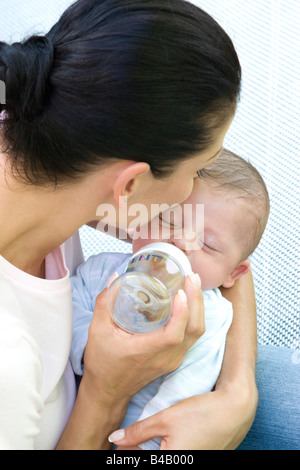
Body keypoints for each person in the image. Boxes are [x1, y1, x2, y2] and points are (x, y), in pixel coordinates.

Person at [0, 0, 259, 450]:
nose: (195, 194)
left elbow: (233, 256)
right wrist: (107, 389)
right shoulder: (10, 365)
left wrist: (239, 393)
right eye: (198, 170)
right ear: (132, 183)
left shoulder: (40, 135)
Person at [70, 149, 270, 450]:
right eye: (169, 220)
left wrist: (143, 440)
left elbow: (188, 389)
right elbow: (67, 305)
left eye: (208, 245)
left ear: (233, 273)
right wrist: (87, 348)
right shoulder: (103, 269)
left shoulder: (212, 317)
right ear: (139, 218)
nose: (182, 241)